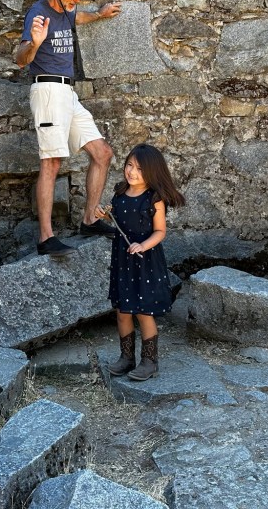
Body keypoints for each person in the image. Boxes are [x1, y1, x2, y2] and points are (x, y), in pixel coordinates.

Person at [15, 0, 122, 257]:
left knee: (102, 153)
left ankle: (89, 219)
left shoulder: (67, 8)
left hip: (68, 93)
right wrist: (34, 44)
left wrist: (99, 15)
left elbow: (77, 18)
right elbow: (21, 59)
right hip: (48, 90)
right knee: (51, 162)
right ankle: (46, 238)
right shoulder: (37, 14)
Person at [97, 143, 185, 381]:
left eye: (139, 169)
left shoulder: (154, 199)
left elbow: (160, 232)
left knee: (144, 312)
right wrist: (104, 214)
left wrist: (143, 245)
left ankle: (149, 361)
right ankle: (127, 358)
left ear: (152, 172)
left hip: (145, 260)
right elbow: (118, 218)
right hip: (123, 260)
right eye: (129, 165)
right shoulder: (120, 194)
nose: (132, 172)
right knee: (122, 311)